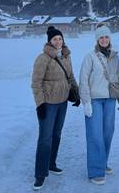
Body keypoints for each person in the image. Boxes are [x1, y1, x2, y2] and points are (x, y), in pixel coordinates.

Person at [31, 26, 80, 191]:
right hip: (48, 104)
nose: (58, 41)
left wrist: (77, 94)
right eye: (55, 39)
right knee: (45, 137)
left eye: (60, 38)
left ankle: (51, 163)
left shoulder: (66, 56)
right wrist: (40, 104)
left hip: (62, 102)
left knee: (57, 134)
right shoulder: (42, 58)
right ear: (49, 41)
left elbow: (71, 76)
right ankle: (40, 174)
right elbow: (36, 83)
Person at [79, 23, 119, 185]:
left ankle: (102, 162)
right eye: (101, 37)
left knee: (108, 132)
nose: (104, 39)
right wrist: (86, 102)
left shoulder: (114, 56)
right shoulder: (90, 57)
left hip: (110, 100)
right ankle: (95, 171)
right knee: (95, 135)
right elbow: (83, 81)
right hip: (95, 100)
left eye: (106, 36)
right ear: (97, 39)